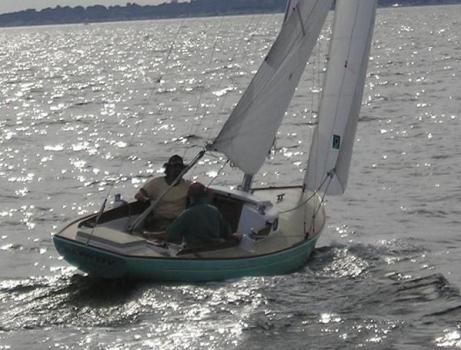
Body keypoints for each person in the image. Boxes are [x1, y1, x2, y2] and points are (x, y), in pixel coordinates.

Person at [166, 182, 232, 247]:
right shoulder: (215, 210)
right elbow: (226, 232)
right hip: (213, 248)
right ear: (205, 195)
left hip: (193, 249)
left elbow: (171, 235)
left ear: (189, 195)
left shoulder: (187, 214)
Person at [135, 155, 191, 231]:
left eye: (179, 167)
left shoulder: (187, 185)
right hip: (160, 220)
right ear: (168, 169)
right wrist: (145, 200)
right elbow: (139, 195)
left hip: (179, 220)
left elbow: (202, 192)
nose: (176, 170)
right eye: (173, 167)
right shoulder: (156, 183)